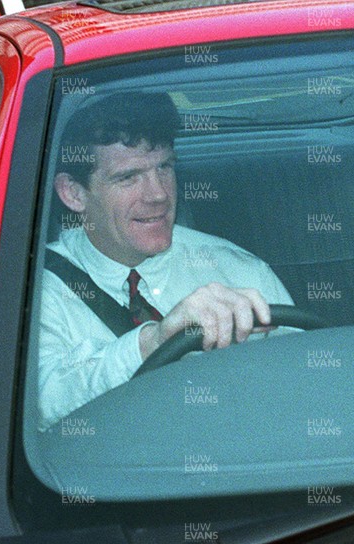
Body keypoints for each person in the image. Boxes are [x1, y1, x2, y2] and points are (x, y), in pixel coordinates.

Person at [37, 92, 294, 432]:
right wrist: (154, 343)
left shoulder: (239, 271)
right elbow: (40, 408)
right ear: (73, 193)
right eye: (128, 177)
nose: (158, 194)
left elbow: (299, 391)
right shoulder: (39, 291)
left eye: (165, 167)